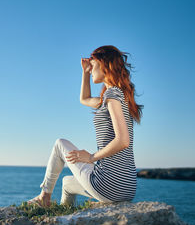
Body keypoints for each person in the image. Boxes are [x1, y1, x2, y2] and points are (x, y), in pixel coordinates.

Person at [27, 45, 144, 207]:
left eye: (93, 65)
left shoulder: (112, 95)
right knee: (67, 183)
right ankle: (64, 216)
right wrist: (84, 72)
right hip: (127, 188)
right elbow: (85, 99)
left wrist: (91, 157)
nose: (91, 70)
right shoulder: (117, 96)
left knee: (60, 144)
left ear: (104, 65)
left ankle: (44, 197)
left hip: (109, 185)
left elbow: (123, 140)